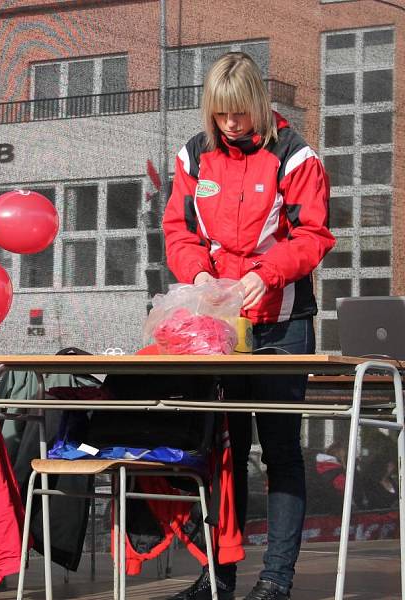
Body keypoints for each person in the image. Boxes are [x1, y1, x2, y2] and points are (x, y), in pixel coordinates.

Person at [162, 53, 335, 600]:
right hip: (220, 324)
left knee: (280, 448)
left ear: (258, 105)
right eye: (220, 115)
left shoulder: (295, 154)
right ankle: (219, 577)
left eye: (238, 114)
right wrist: (197, 275)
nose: (230, 125)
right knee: (224, 448)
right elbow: (178, 228)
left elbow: (313, 235)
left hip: (282, 322)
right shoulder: (194, 154)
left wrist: (269, 273)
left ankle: (277, 578)